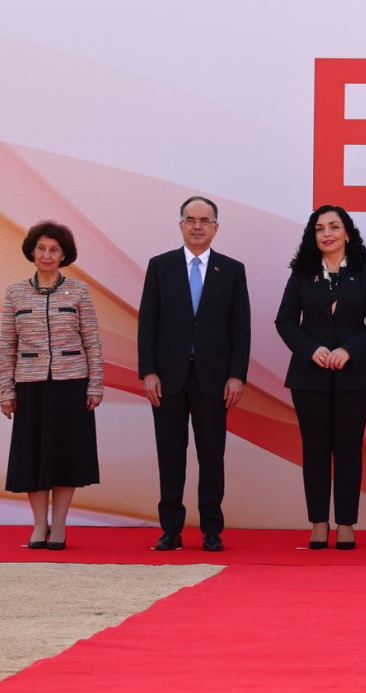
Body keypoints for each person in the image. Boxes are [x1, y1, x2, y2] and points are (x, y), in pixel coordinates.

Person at [138, 196, 250, 552]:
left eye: (205, 221)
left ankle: (212, 530)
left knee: (212, 455)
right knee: (170, 455)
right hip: (167, 378)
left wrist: (237, 375)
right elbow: (148, 323)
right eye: (191, 220)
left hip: (214, 380)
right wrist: (148, 371)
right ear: (181, 225)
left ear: (216, 227)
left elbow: (241, 329)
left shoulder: (232, 270)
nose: (197, 226)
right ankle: (171, 530)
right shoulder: (161, 266)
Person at [276, 205, 366, 551]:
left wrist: (349, 350)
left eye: (334, 226)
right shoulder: (302, 273)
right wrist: (311, 349)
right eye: (320, 228)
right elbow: (285, 322)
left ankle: (346, 523)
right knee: (315, 450)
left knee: (348, 449)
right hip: (309, 377)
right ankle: (318, 523)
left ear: (347, 233)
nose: (327, 233)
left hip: (355, 377)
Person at [1, 222, 103, 550]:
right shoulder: (15, 293)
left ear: (63, 255)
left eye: (54, 250)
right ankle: (38, 525)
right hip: (29, 385)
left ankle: (58, 525)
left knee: (65, 456)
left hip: (71, 384)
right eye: (42, 249)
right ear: (32, 252)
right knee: (33, 456)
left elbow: (92, 341)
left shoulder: (79, 292)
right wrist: (6, 390)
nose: (47, 255)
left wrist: (95, 385)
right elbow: (6, 345)